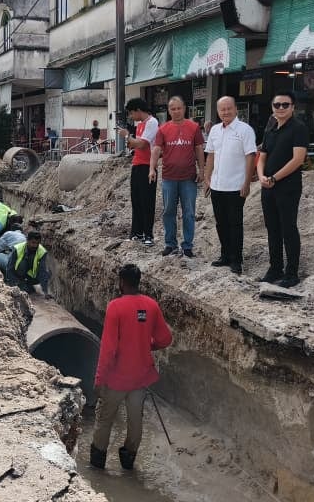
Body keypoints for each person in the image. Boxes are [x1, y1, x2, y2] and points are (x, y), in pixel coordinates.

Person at [90, 264, 172, 471]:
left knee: (105, 419)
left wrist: (99, 378)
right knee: (136, 421)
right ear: (138, 282)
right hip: (140, 379)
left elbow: (108, 348)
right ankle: (128, 464)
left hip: (117, 380)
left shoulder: (115, 307)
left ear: (121, 283)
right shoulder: (151, 305)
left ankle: (98, 465)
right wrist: (147, 344)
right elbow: (165, 339)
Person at [257, 92, 309, 288]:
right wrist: (262, 176)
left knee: (288, 228)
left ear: (293, 107)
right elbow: (262, 156)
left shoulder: (299, 129)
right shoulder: (270, 129)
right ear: (272, 107)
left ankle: (291, 272)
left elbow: (297, 159)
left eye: (285, 105)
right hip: (267, 187)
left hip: (287, 187)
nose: (280, 108)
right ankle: (275, 268)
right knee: (273, 229)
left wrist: (274, 178)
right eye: (277, 105)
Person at [204, 96, 257, 274]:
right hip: (217, 185)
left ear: (235, 109)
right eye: (222, 109)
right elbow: (210, 155)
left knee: (235, 224)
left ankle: (236, 259)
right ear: (218, 111)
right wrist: (207, 177)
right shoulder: (215, 131)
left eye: (229, 108)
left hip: (236, 186)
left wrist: (247, 182)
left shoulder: (245, 130)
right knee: (221, 223)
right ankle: (224, 255)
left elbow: (251, 156)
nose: (225, 112)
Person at [149, 96, 205, 257]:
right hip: (169, 177)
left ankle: (187, 246)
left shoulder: (193, 127)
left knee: (189, 212)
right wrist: (151, 169)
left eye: (178, 108)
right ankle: (170, 244)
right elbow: (156, 149)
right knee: (168, 211)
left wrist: (201, 170)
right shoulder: (163, 129)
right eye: (172, 109)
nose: (176, 111)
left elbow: (199, 149)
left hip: (189, 178)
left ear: (184, 108)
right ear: (169, 110)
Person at [117, 98, 159, 245]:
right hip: (137, 164)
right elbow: (133, 145)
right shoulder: (140, 125)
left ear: (138, 110)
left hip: (147, 166)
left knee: (147, 201)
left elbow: (141, 144)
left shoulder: (152, 122)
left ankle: (148, 234)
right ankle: (137, 232)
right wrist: (130, 139)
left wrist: (127, 135)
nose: (130, 116)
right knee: (136, 201)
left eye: (131, 113)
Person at [5, 230, 51, 296]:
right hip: (17, 274)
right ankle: (22, 284)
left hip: (29, 276)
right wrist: (13, 284)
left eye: (37, 243)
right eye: (33, 242)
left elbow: (42, 271)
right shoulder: (18, 249)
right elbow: (9, 268)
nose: (35, 245)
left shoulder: (42, 252)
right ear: (27, 241)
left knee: (48, 274)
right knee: (22, 265)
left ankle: (26, 285)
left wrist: (45, 291)